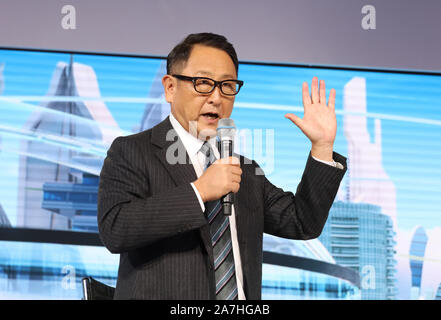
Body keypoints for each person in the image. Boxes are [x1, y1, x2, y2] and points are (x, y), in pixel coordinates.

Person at [97, 32, 347, 300]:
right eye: (203, 83)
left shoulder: (245, 171)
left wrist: (322, 147)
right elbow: (116, 229)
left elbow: (302, 222)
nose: (217, 97)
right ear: (170, 87)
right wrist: (199, 192)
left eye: (227, 85)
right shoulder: (132, 151)